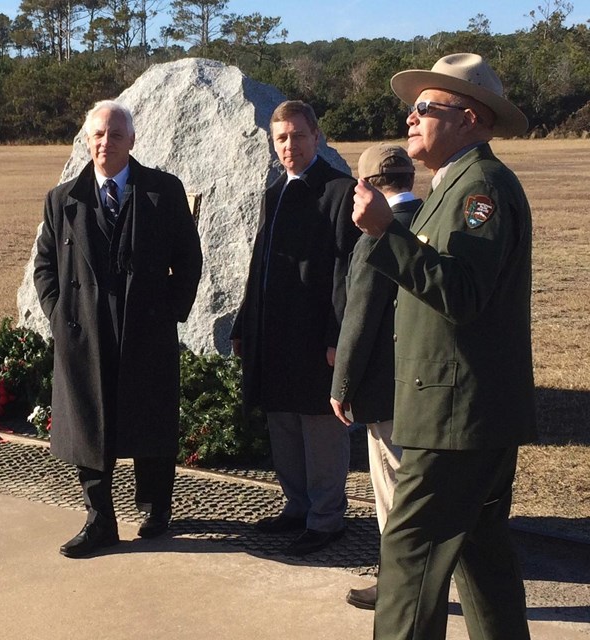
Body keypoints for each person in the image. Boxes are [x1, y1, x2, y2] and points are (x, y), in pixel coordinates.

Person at [352, 53, 537, 639]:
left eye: (427, 108)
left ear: (470, 119)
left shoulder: (478, 187)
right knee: (480, 555)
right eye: (412, 107)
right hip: (464, 410)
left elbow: (462, 292)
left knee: (408, 555)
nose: (411, 117)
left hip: (457, 416)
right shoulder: (453, 182)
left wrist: (387, 233)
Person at [34, 100, 203, 558]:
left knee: (150, 417)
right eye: (98, 135)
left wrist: (169, 310)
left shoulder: (164, 191)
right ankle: (100, 520)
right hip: (84, 331)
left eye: (115, 134)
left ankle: (156, 506)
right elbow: (45, 265)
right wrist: (59, 314)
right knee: (90, 425)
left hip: (146, 328)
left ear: (132, 140)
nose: (106, 143)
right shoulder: (62, 199)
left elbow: (189, 259)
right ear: (87, 141)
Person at [230, 100, 361, 556]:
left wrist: (335, 338)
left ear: (317, 136)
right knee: (283, 424)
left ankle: (326, 519)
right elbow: (259, 267)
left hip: (315, 339)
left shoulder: (339, 192)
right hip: (274, 336)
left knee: (320, 428)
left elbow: (348, 273)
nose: (290, 146)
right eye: (281, 138)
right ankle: (297, 506)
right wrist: (245, 324)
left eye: (298, 136)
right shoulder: (275, 192)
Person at [330, 144, 422, 610]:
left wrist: (341, 387)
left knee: (392, 494)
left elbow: (359, 318)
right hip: (428, 388)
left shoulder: (375, 237)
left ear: (363, 186)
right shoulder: (428, 223)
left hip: (386, 391)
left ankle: (397, 585)